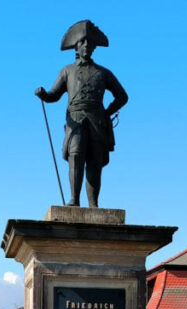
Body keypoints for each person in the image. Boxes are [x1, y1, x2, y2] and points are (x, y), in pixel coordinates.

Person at [36, 21, 127, 208]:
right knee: (76, 155)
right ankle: (74, 200)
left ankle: (94, 204)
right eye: (82, 42)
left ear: (94, 47)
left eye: (89, 43)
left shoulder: (103, 73)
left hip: (97, 122)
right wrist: (44, 95)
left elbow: (122, 96)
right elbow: (54, 94)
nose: (86, 46)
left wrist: (106, 112)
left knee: (94, 161)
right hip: (75, 120)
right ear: (76, 46)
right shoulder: (67, 71)